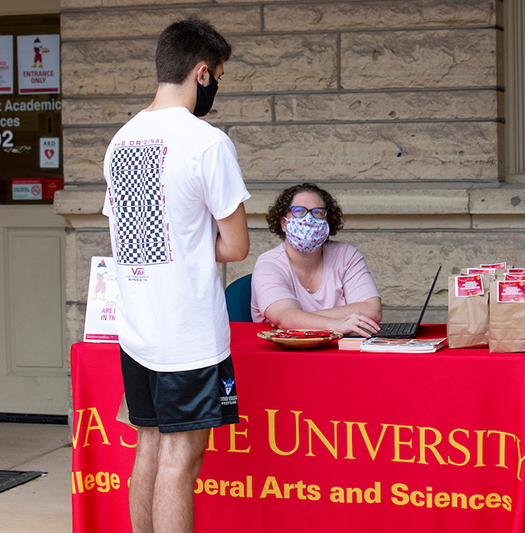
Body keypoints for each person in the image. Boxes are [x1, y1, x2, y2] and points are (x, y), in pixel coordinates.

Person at [101, 18, 250, 533]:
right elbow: (235, 245)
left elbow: (129, 231)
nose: (216, 88)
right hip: (188, 334)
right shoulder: (207, 142)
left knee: (148, 449)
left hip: (138, 329)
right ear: (201, 72)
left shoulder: (121, 141)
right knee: (179, 463)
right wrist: (191, 240)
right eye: (220, 77)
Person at [251, 183, 382, 337]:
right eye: (299, 211)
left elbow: (373, 310)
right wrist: (337, 324)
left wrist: (300, 318)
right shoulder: (268, 264)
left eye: (318, 212)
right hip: (284, 355)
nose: (308, 219)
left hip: (339, 352)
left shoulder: (346, 255)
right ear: (284, 223)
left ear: (327, 222)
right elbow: (285, 318)